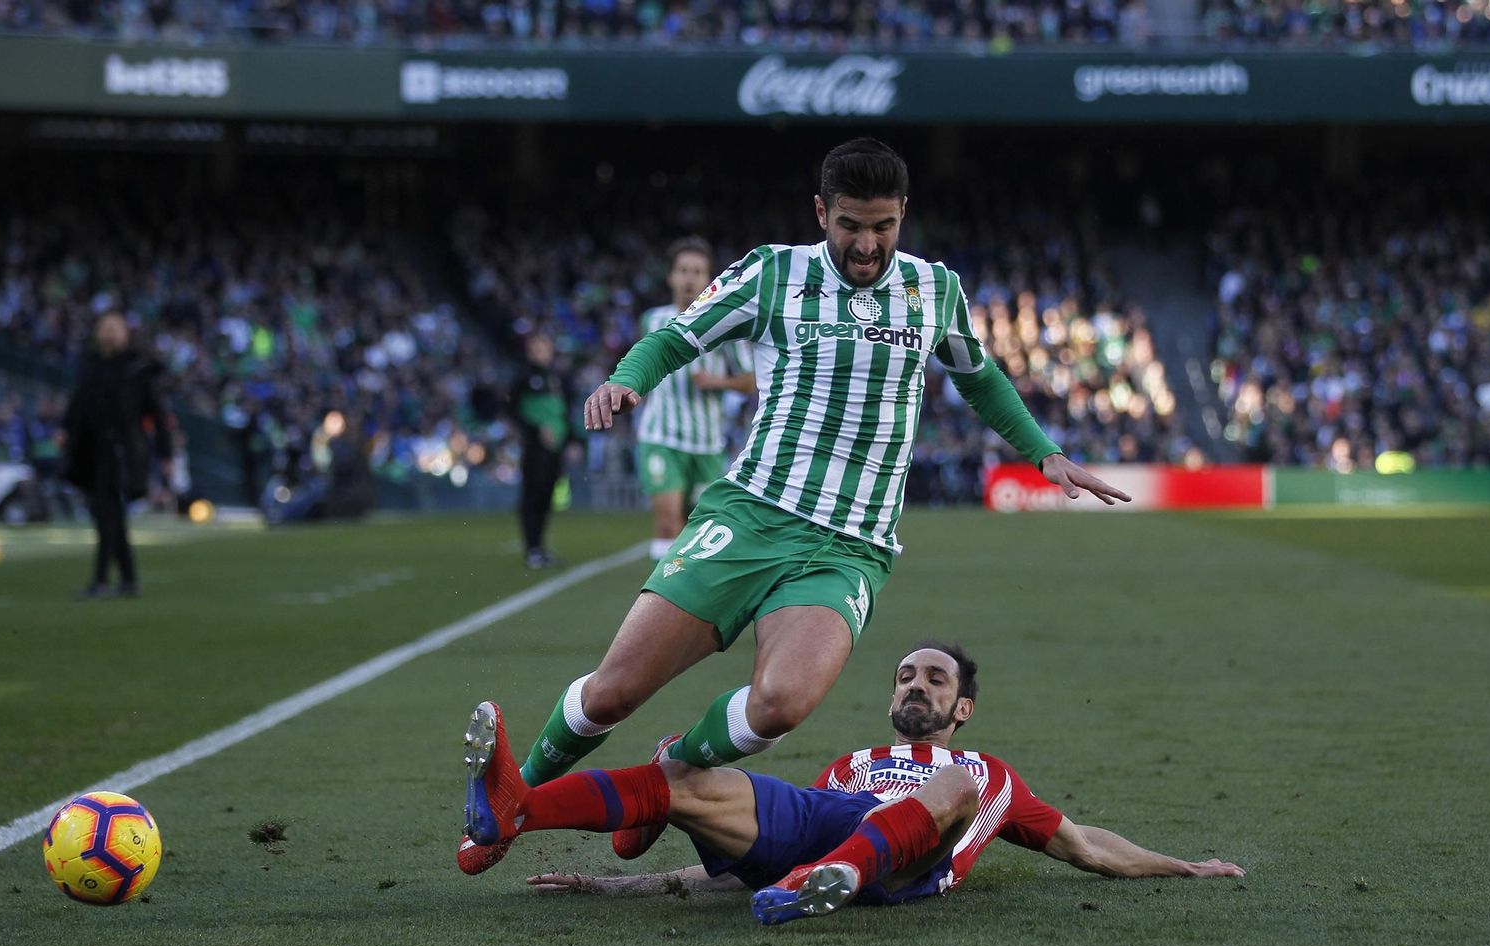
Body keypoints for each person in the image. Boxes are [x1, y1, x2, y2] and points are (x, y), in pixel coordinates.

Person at [464, 138, 1130, 868]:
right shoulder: (772, 272)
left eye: (883, 225)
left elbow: (981, 378)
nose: (867, 243)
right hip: (749, 515)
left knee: (781, 704)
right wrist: (628, 378)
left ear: (904, 213)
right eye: (849, 224)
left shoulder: (934, 289)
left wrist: (1045, 452)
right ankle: (514, 793)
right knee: (613, 694)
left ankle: (670, 769)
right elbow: (678, 336)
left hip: (850, 547)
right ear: (821, 212)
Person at [458, 641, 1244, 926]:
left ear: (961, 707)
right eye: (905, 676)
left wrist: (1183, 864)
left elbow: (1086, 847)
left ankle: (835, 876)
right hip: (833, 829)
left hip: (907, 861)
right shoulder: (848, 768)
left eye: (934, 681)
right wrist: (616, 891)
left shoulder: (987, 775)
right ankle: (514, 812)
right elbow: (730, 876)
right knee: (690, 775)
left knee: (955, 790)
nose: (915, 688)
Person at [635, 237, 756, 559]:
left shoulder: (727, 323)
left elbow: (752, 382)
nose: (689, 279)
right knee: (666, 523)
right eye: (683, 271)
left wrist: (718, 381)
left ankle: (681, 601)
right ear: (671, 276)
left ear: (708, 280)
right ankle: (658, 602)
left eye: (697, 271)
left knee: (696, 530)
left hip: (706, 443)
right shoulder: (652, 321)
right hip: (661, 436)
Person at [62, 311, 173, 599]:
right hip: (93, 451)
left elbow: (157, 413)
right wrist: (65, 428)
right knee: (110, 516)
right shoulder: (90, 366)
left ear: (125, 334)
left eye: (115, 328)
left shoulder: (136, 369)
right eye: (105, 328)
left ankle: (101, 581)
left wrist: (166, 454)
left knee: (106, 515)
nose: (110, 333)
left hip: (122, 453)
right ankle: (128, 580)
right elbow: (79, 402)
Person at [510, 332, 576, 569]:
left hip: (555, 447)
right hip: (535, 448)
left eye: (545, 349)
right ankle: (532, 548)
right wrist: (535, 431)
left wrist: (571, 439)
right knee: (533, 495)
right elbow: (514, 410)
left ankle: (539, 546)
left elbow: (563, 411)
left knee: (548, 496)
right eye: (537, 349)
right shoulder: (523, 377)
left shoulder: (556, 378)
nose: (541, 354)